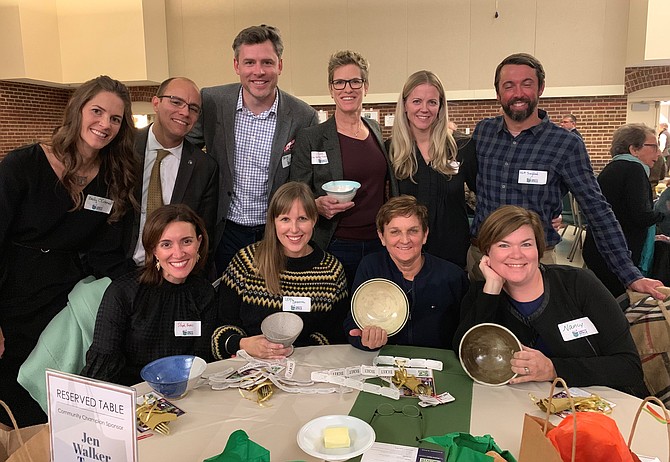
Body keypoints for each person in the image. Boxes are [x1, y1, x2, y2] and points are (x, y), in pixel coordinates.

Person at [0, 75, 139, 427]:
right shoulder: (23, 166)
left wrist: (148, 283)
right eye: (97, 111)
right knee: (11, 395)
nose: (104, 124)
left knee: (57, 397)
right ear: (77, 110)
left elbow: (108, 255)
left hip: (65, 301)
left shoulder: (113, 176)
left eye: (115, 119)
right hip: (14, 294)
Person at [469, 52, 663, 299]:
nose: (518, 93)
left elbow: (597, 209)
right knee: (480, 331)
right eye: (509, 85)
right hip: (482, 260)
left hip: (533, 264)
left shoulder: (565, 144)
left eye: (526, 84)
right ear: (498, 93)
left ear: (540, 88)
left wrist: (630, 274)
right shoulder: (483, 133)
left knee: (536, 335)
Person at [454, 205, 647, 397]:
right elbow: (465, 352)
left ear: (539, 249)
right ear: (488, 252)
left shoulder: (579, 284)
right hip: (519, 405)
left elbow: (629, 367)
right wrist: (492, 289)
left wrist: (553, 369)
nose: (516, 254)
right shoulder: (483, 293)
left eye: (526, 244)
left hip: (601, 405)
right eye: (503, 245)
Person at [187, 25, 318, 274]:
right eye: (249, 62)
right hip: (224, 228)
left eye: (267, 62)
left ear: (280, 65)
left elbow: (305, 178)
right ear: (236, 65)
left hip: (275, 232)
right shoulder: (212, 101)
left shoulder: (303, 116)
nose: (258, 72)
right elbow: (184, 148)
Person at [290, 50, 399, 288]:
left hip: (377, 242)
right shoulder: (313, 138)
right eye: (339, 82)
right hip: (335, 242)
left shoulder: (375, 130)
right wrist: (315, 204)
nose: (347, 89)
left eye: (355, 82)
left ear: (365, 86)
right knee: (335, 314)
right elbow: (296, 191)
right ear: (331, 89)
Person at [82, 204, 216, 386]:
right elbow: (103, 367)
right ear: (154, 250)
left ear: (199, 243)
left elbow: (200, 360)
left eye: (186, 241)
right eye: (166, 244)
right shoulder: (123, 292)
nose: (178, 253)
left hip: (185, 392)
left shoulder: (204, 293)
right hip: (130, 394)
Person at [212, 182, 348, 360]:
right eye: (285, 219)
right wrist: (243, 344)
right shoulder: (246, 262)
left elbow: (336, 336)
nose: (294, 229)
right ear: (273, 222)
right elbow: (218, 333)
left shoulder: (332, 270)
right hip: (249, 368)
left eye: (302, 218)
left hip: (306, 368)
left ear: (314, 220)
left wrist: (294, 351)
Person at [344, 196, 468, 351]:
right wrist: (363, 340)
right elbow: (353, 323)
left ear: (425, 235)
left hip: (437, 363)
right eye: (395, 232)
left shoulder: (452, 276)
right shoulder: (370, 267)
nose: (404, 240)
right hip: (385, 360)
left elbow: (467, 333)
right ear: (382, 237)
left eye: (413, 231)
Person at [126, 77, 218, 271]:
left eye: (193, 108)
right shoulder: (123, 148)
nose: (184, 112)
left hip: (175, 274)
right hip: (120, 271)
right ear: (156, 103)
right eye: (176, 102)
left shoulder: (205, 168)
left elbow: (203, 231)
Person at [387, 70, 477, 268]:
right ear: (404, 105)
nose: (424, 109)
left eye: (432, 102)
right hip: (405, 256)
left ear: (440, 106)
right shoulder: (391, 151)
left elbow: (485, 195)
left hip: (452, 256)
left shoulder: (461, 148)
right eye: (417, 101)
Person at [583, 124, 666, 297]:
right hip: (617, 253)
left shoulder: (613, 168)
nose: (658, 154)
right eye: (654, 146)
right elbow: (640, 216)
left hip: (600, 249)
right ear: (634, 149)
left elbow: (624, 212)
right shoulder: (634, 169)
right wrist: (663, 212)